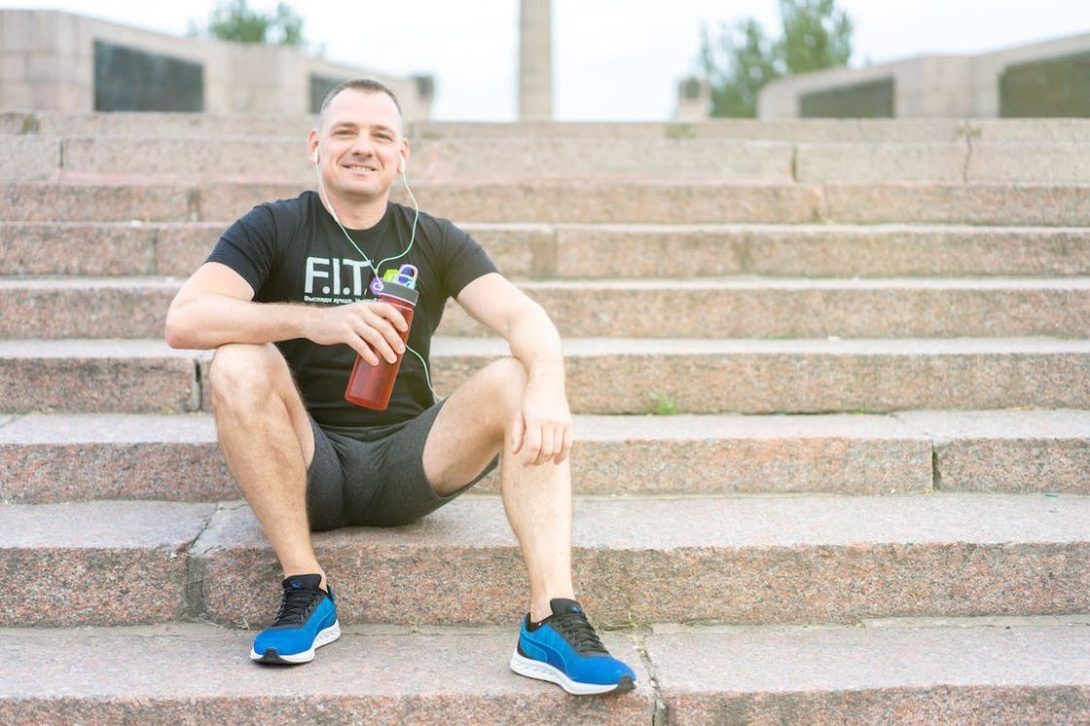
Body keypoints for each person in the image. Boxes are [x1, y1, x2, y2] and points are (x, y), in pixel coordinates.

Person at [164, 78, 636, 696]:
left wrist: (548, 383)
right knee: (235, 361)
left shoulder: (433, 237)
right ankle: (306, 589)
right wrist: (318, 320)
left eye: (380, 135)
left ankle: (551, 619)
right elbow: (185, 319)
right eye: (346, 132)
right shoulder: (274, 226)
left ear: (401, 154)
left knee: (518, 374)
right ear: (315, 145)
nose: (363, 147)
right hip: (306, 459)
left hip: (408, 461)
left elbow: (522, 316)